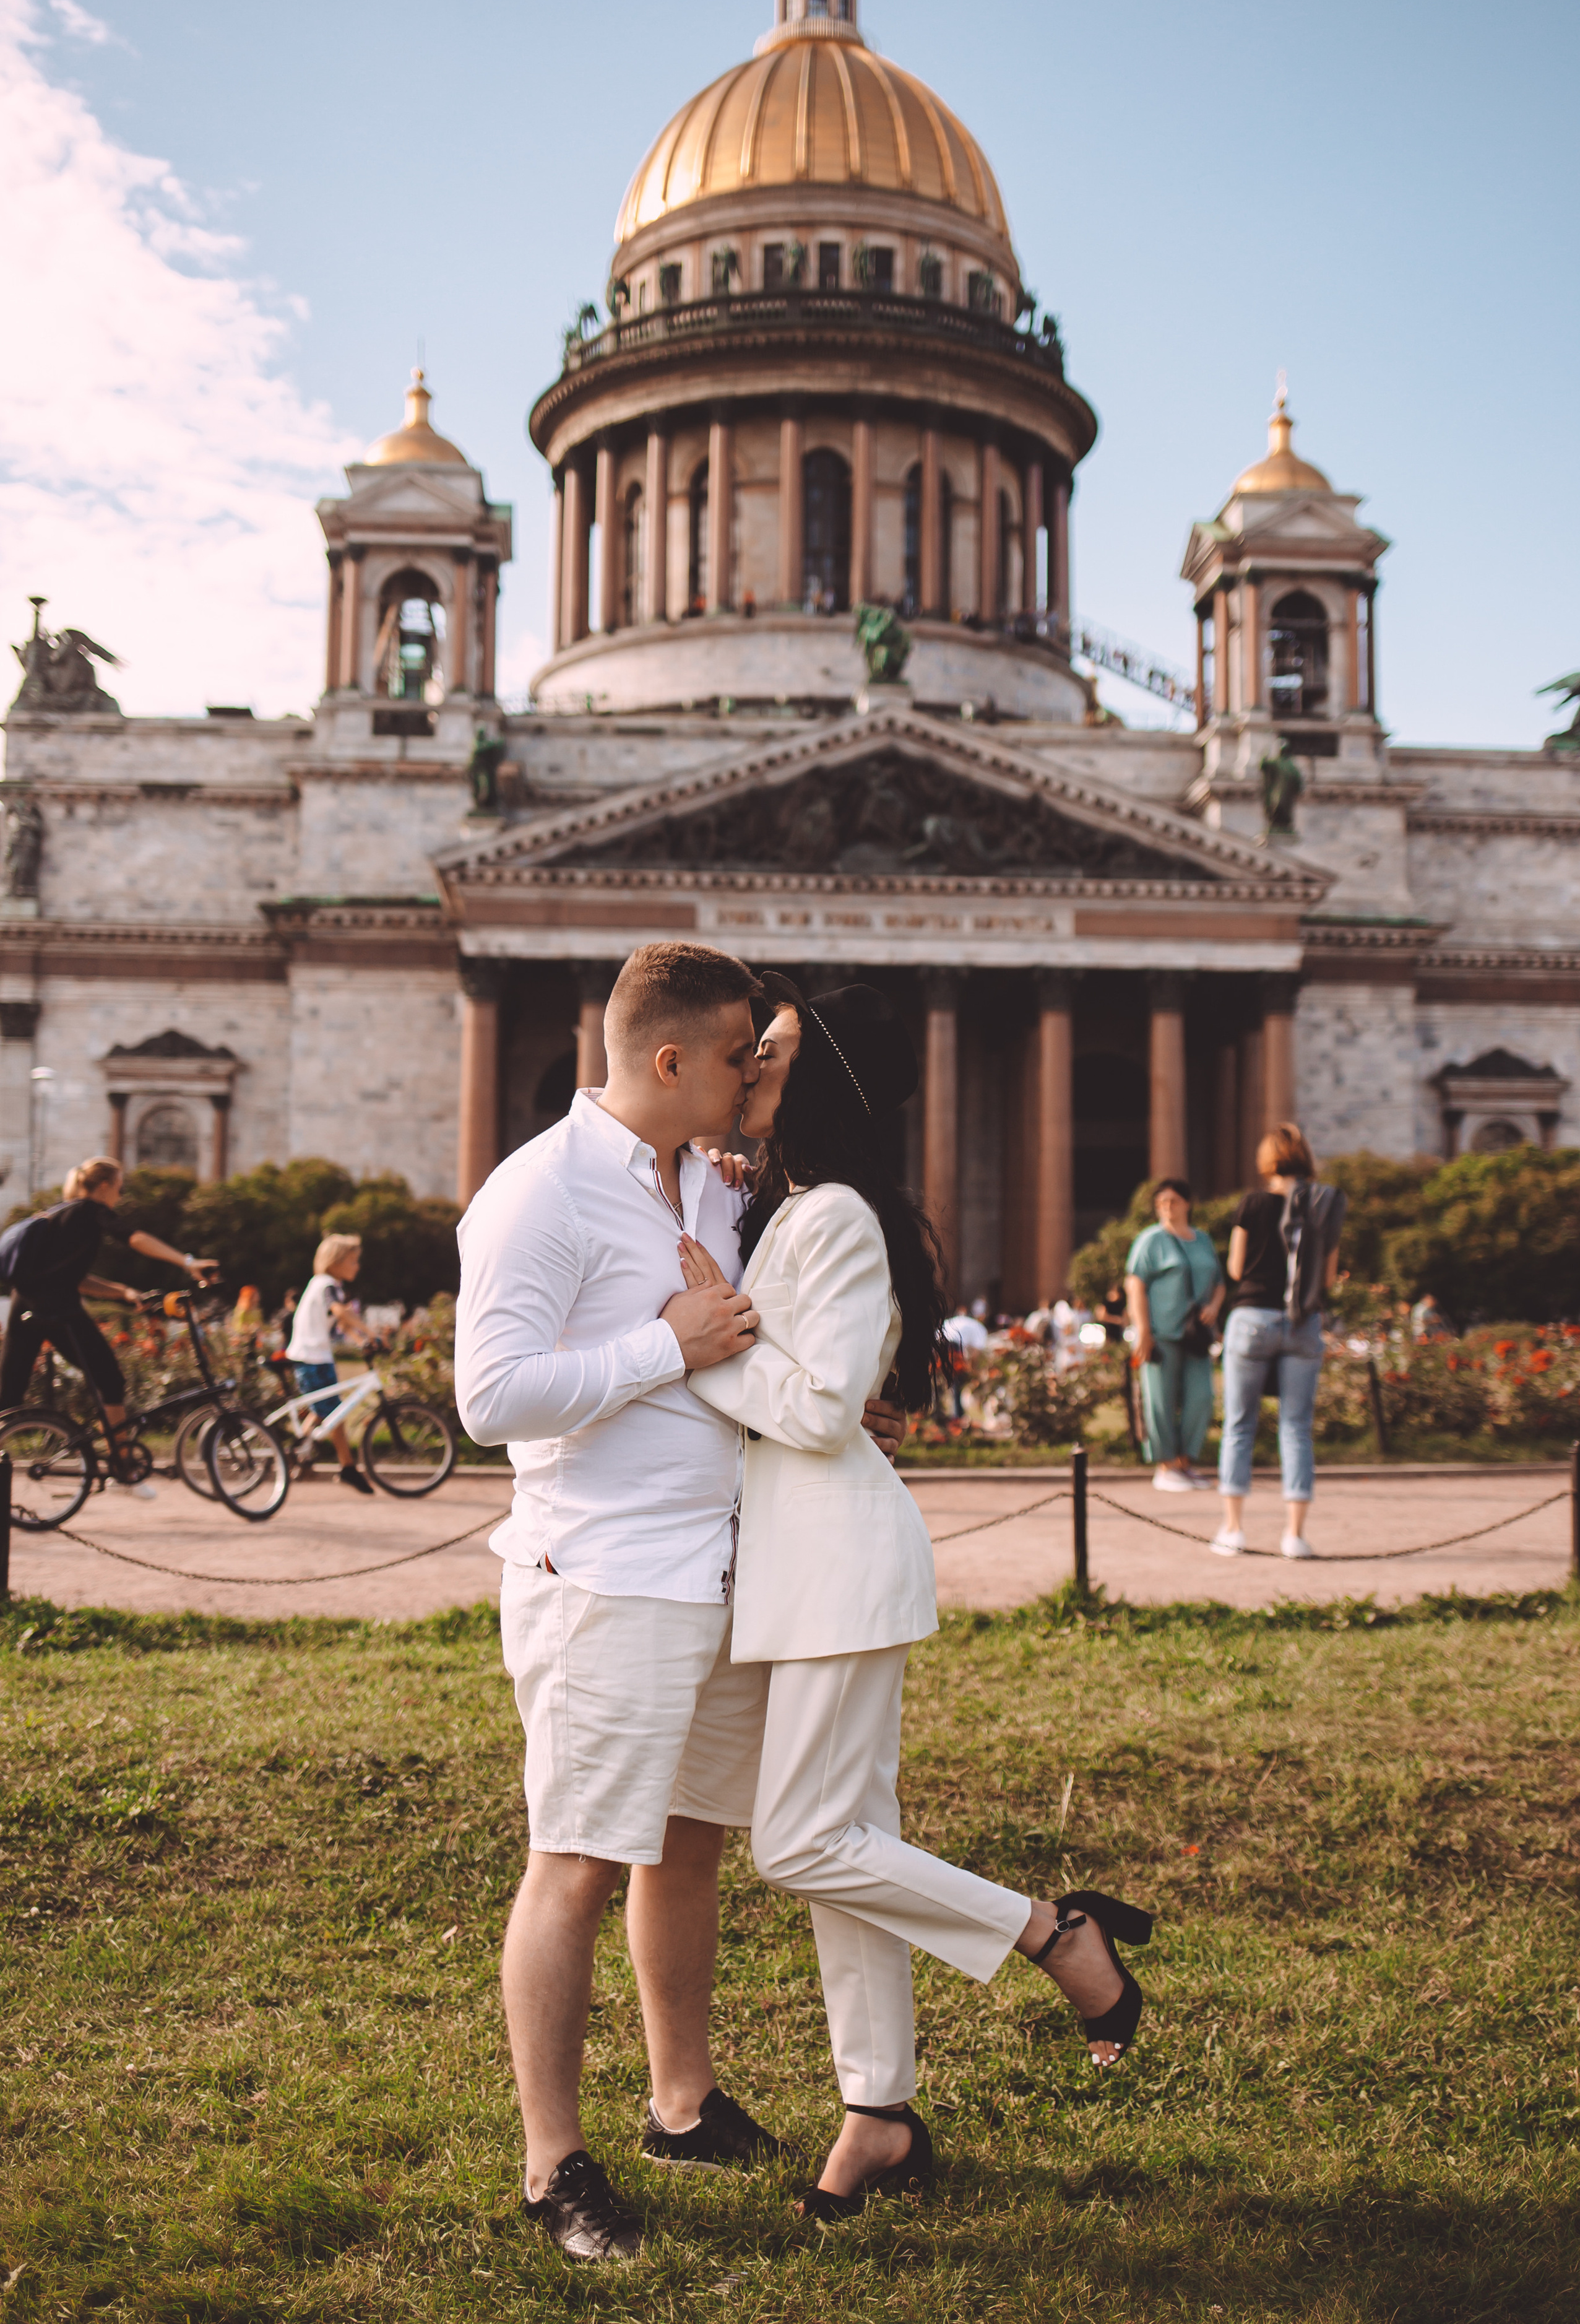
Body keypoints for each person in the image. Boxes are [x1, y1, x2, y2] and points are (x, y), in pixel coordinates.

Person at [453, 942, 905, 2265]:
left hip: (720, 1567)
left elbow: (752, 1342)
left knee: (689, 1847)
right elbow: (489, 1401)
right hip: (603, 1578)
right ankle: (553, 2166)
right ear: (671, 1062)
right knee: (577, 1863)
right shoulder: (535, 1196)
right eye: (738, 1056)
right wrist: (673, 1346)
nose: (757, 1075)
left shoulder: (708, 1186)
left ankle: (681, 2103)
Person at [684, 976, 1154, 2221]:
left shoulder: (833, 1215)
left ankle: (1058, 1938)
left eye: (768, 1050)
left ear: (817, 1076)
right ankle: (876, 2114)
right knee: (851, 1850)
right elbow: (820, 1389)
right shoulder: (792, 1209)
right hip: (802, 1567)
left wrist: (701, 1354)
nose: (747, 1062)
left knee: (802, 1847)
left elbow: (820, 1407)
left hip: (835, 1562)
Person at [0, 1154, 217, 1475]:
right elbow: (136, 1238)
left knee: (9, 1392)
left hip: (26, 1304)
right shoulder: (91, 1210)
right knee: (110, 1378)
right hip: (59, 1308)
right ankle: (123, 1460)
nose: (120, 1194)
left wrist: (124, 1292)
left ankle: (118, 1456)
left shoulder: (60, 1214)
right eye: (119, 1187)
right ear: (104, 1186)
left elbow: (76, 1279)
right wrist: (188, 1263)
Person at [1213, 1124, 1346, 1561]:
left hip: (1252, 1318)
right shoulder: (1325, 1204)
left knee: (1239, 1426)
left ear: (1267, 1161)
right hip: (1303, 1322)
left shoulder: (1252, 1204)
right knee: (1296, 1429)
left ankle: (1233, 1530)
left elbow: (1235, 1269)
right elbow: (1327, 1278)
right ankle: (1295, 1535)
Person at [1124, 1180, 1225, 1493]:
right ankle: (1165, 1465)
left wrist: (1215, 1307)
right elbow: (1135, 1283)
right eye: (1161, 1202)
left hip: (1195, 1333)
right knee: (1159, 1400)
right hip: (1160, 1332)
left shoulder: (1203, 1240)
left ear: (1187, 1203)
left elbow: (1220, 1281)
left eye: (1173, 1201)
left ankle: (1186, 1462)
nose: (1167, 1207)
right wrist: (1143, 1330)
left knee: (1201, 1397)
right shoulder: (1150, 1240)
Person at [285, 1234, 374, 1493]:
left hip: (314, 1357)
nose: (357, 1266)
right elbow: (340, 1312)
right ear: (335, 1262)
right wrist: (372, 1334)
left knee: (326, 1409)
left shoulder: (324, 1285)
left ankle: (301, 1449)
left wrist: (359, 1340)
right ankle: (347, 1468)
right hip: (312, 1359)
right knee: (335, 1414)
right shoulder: (326, 1285)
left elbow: (342, 1323)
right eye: (353, 1261)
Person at [941, 1303, 988, 1417]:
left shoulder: (963, 1322)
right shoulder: (980, 1330)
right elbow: (975, 1355)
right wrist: (973, 1371)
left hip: (940, 1341)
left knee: (944, 1382)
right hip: (951, 1344)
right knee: (957, 1380)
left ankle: (948, 1413)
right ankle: (957, 1414)